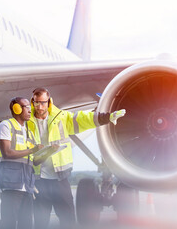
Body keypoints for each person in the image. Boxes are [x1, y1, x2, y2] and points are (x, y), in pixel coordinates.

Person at [28, 87, 126, 229]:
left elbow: (83, 119)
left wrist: (107, 117)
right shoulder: (26, 121)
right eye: (36, 103)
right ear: (32, 102)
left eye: (43, 102)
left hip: (59, 178)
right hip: (39, 180)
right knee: (40, 221)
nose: (40, 106)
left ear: (49, 102)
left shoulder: (61, 117)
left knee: (67, 218)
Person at [0, 97, 57, 229]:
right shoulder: (6, 125)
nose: (31, 110)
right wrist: (33, 149)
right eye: (27, 107)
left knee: (27, 224)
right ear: (17, 109)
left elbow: (34, 161)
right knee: (8, 223)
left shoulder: (28, 131)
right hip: (11, 184)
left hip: (27, 186)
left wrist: (48, 152)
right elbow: (7, 152)